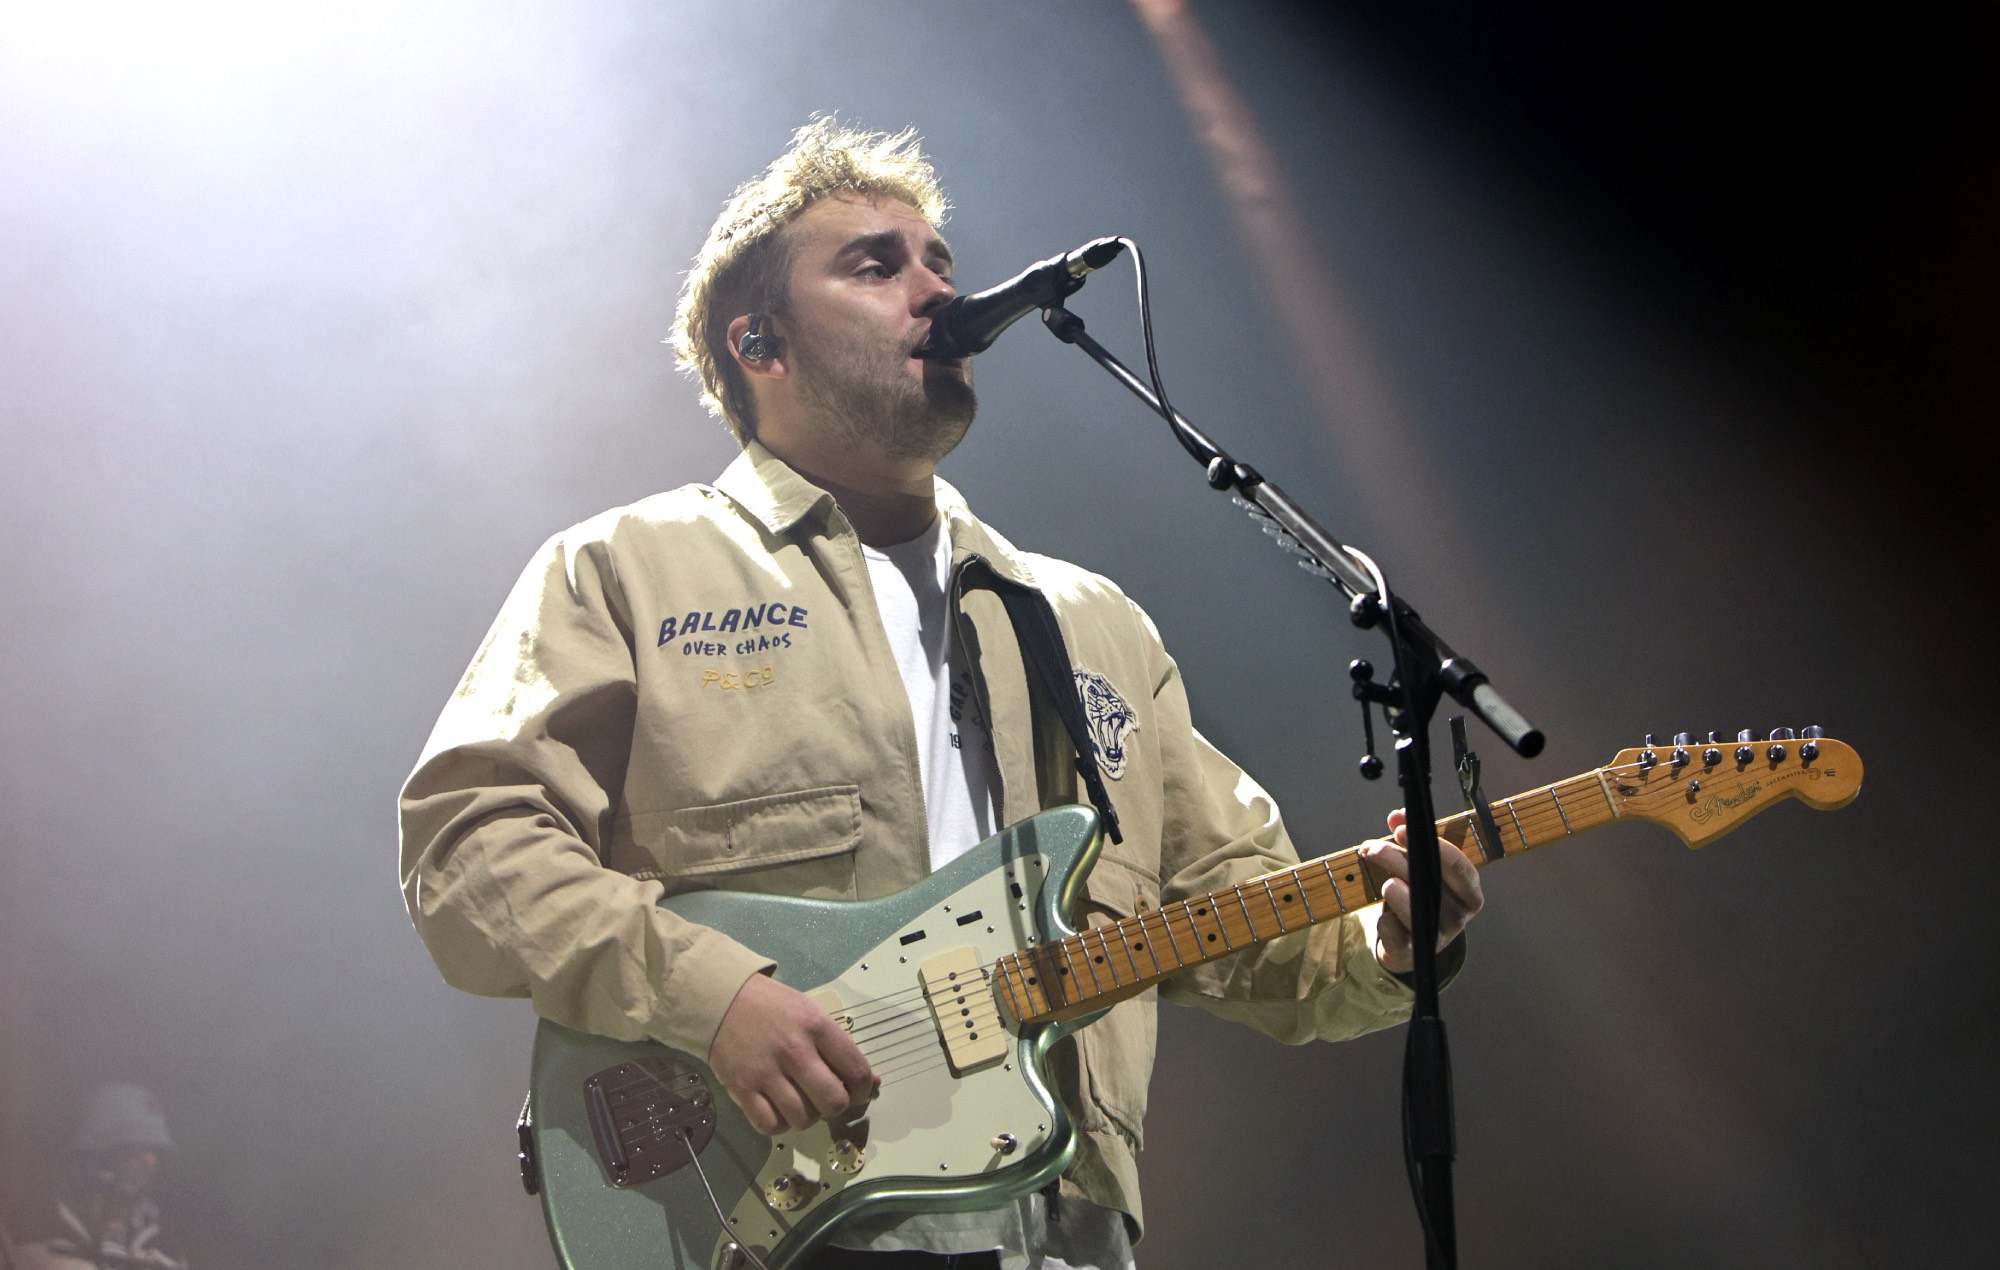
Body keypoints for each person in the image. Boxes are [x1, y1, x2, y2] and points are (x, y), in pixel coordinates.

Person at [399, 117, 1482, 1270]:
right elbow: (470, 848)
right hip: (777, 1218)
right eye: (875, 266)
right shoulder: (625, 570)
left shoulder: (1091, 623)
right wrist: (711, 996)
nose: (936, 291)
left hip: (1066, 1228)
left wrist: (1383, 939)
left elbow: (1238, 912)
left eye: (939, 262)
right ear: (759, 342)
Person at [11, 1084, 190, 1270]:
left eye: (154, 1150)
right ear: (99, 1154)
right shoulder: (41, 1220)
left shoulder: (161, 1236)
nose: (150, 1160)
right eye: (137, 1147)